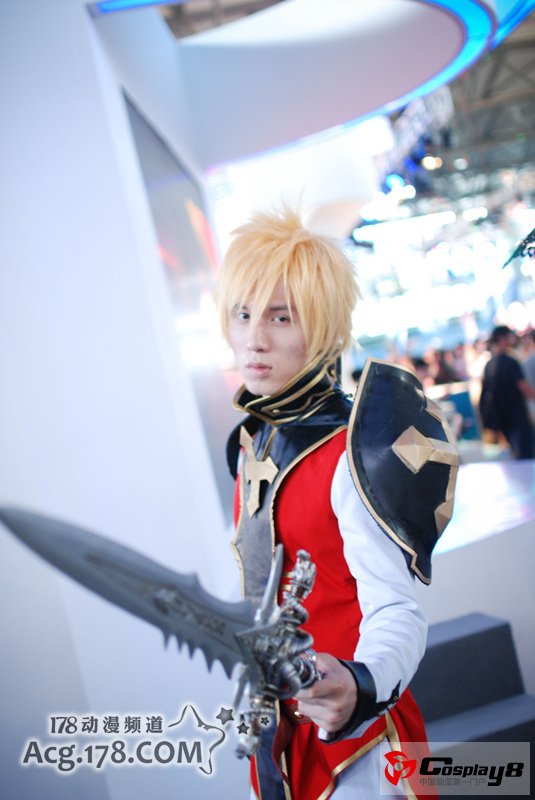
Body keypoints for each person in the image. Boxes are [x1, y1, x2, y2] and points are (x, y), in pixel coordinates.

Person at [216, 208, 449, 800]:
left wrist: (360, 682)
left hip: (361, 751)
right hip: (280, 740)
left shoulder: (353, 450)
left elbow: (396, 610)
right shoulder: (250, 443)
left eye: (280, 316)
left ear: (321, 329)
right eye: (243, 314)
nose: (255, 338)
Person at [479, 325, 535, 459]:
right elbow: (523, 386)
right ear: (502, 338)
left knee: (516, 453)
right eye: (510, 336)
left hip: (502, 418)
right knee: (525, 453)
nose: (513, 339)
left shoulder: (489, 365)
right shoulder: (511, 362)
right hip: (517, 416)